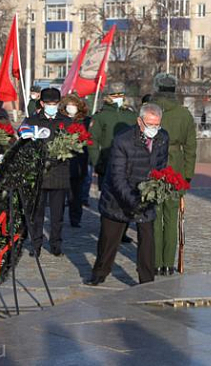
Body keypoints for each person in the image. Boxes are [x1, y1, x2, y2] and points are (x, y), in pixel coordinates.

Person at [86, 103, 169, 286]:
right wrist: (133, 200)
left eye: (157, 125)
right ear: (139, 121)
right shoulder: (122, 140)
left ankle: (147, 280)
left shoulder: (162, 137)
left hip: (146, 195)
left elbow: (161, 166)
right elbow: (117, 177)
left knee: (147, 239)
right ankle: (100, 273)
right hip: (118, 197)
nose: (153, 129)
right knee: (109, 240)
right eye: (150, 124)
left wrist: (156, 189)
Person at [152, 73, 197, 276]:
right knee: (171, 218)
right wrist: (187, 174)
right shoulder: (184, 114)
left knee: (154, 215)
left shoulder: (149, 111)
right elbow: (190, 147)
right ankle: (168, 264)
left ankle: (155, 261)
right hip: (175, 168)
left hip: (153, 166)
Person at [23, 88, 71, 257]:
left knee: (57, 214)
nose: (52, 107)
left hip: (60, 172)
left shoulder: (66, 121)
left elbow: (76, 145)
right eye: (49, 104)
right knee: (37, 213)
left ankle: (56, 243)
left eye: (55, 104)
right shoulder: (32, 121)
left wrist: (65, 153)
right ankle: (35, 244)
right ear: (42, 104)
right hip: (38, 173)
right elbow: (24, 144)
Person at [89, 90, 137, 243]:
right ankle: (107, 230)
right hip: (107, 163)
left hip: (129, 165)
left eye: (121, 96)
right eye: (115, 96)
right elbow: (93, 141)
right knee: (108, 199)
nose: (119, 99)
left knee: (127, 198)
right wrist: (96, 162)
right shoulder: (101, 116)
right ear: (108, 97)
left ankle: (122, 232)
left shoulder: (131, 116)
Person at [58, 94, 89, 228]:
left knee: (76, 194)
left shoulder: (85, 121)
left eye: (74, 105)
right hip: (62, 163)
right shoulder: (60, 120)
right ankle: (58, 218)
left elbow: (88, 141)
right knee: (60, 195)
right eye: (69, 105)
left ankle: (75, 219)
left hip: (78, 162)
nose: (72, 107)